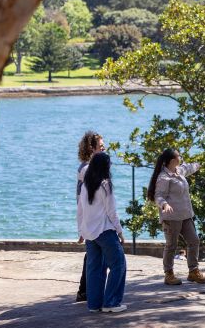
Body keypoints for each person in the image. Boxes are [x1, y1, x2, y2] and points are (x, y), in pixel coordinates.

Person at [147, 149, 205, 285]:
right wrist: (164, 205)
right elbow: (158, 196)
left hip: (186, 215)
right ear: (172, 160)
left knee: (194, 241)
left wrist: (200, 164)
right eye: (178, 156)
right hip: (171, 217)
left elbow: (189, 168)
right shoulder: (164, 177)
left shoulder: (179, 171)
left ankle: (193, 271)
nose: (180, 157)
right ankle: (168, 274)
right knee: (171, 245)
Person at [77, 152, 127, 313]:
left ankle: (94, 305)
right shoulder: (105, 184)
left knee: (94, 269)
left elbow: (80, 210)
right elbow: (112, 212)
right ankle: (111, 303)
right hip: (105, 231)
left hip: (90, 234)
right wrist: (120, 232)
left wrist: (81, 231)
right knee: (119, 264)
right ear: (105, 166)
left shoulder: (86, 184)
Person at [75, 131, 104, 303]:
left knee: (93, 255)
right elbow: (82, 200)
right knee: (100, 255)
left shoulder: (89, 168)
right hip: (93, 219)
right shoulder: (86, 169)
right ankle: (87, 292)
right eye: (101, 147)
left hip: (93, 219)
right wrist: (82, 226)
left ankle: (85, 291)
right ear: (91, 148)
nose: (104, 149)